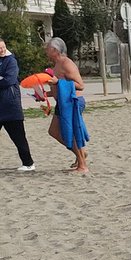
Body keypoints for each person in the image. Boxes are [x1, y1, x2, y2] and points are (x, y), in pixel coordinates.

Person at [44, 37, 88, 173]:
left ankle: (82, 165)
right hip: (63, 103)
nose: (46, 50)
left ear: (55, 50)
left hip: (72, 102)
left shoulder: (66, 63)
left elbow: (80, 85)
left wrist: (58, 83)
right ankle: (81, 154)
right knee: (54, 132)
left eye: (48, 48)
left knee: (72, 132)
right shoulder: (56, 64)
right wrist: (44, 94)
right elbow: (58, 89)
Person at [0, 37, 35, 171]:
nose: (1, 50)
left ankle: (28, 163)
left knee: (18, 137)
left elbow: (9, 80)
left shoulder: (11, 61)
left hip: (11, 106)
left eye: (3, 47)